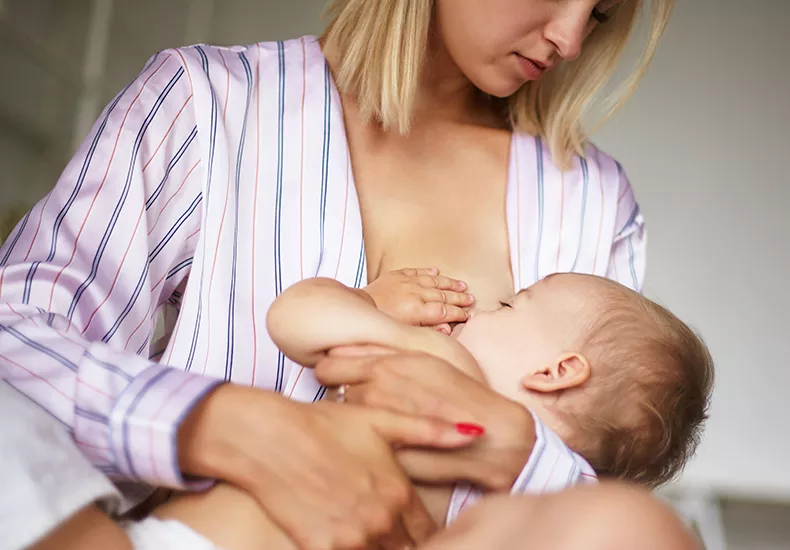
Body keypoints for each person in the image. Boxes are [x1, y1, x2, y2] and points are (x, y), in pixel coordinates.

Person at [0, 0, 675, 547]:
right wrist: (226, 428)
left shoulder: (590, 199)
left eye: (601, 14)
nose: (570, 37)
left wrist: (520, 455)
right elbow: (15, 335)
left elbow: (609, 480)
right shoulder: (208, 102)